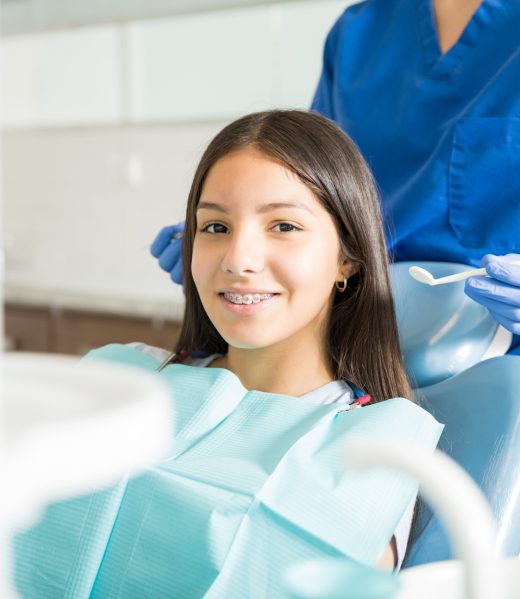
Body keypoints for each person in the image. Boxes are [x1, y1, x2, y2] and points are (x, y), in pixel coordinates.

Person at [14, 111, 441, 598]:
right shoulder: (123, 378)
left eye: (283, 225)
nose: (239, 259)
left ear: (346, 256)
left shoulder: (371, 452)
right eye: (215, 227)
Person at [151, 0, 520, 354]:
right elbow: (309, 181)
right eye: (215, 227)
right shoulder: (359, 32)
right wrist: (235, 236)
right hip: (351, 335)